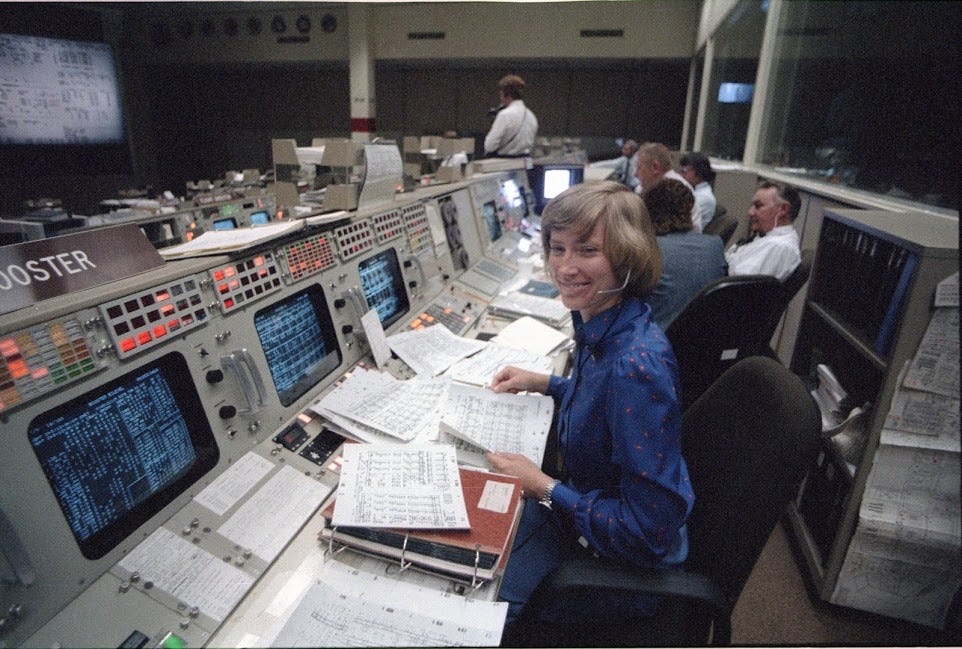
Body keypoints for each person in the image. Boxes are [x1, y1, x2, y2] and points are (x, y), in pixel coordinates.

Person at [486, 180, 694, 628]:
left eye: (586, 251)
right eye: (557, 248)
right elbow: (605, 407)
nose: (565, 267)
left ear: (627, 256)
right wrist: (547, 383)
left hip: (616, 571)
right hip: (591, 526)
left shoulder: (635, 366)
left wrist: (542, 485)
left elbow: (646, 533)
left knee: (472, 588)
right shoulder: (609, 324)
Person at [643, 178, 728, 329]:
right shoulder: (715, 244)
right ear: (689, 209)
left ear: (649, 211)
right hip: (704, 339)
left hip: (655, 341)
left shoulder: (648, 249)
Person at [725, 180, 801, 281]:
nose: (750, 212)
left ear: (783, 209)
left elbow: (739, 282)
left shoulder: (780, 247)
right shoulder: (768, 236)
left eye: (758, 206)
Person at [634, 141, 701, 232]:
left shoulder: (678, 190)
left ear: (655, 167)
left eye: (639, 167)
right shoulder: (644, 187)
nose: (635, 174)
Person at [483, 74, 538, 158]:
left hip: (505, 164)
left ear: (507, 95)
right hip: (524, 164)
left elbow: (489, 146)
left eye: (501, 94)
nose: (500, 98)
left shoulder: (505, 115)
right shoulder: (531, 115)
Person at [679, 152, 717, 232]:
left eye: (684, 171)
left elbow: (679, 219)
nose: (681, 175)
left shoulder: (703, 197)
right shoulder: (694, 191)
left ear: (698, 172)